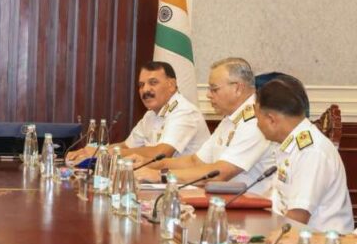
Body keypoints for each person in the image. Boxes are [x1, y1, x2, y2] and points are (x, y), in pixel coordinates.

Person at [135, 57, 276, 195]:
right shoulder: (231, 118)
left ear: (238, 88)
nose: (208, 95)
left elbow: (220, 173)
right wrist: (147, 164)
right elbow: (195, 161)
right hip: (226, 200)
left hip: (251, 206)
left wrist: (159, 175)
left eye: (214, 89)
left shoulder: (255, 121)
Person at [254, 75, 353, 232]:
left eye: (257, 118)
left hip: (320, 243)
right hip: (295, 236)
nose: (257, 124)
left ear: (272, 120)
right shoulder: (291, 143)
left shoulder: (311, 151)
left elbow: (297, 218)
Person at [66, 61, 208, 164]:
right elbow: (127, 146)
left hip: (188, 186)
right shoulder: (151, 115)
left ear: (171, 85)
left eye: (153, 83)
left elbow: (162, 152)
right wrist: (92, 151)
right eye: (141, 85)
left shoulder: (184, 112)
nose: (145, 90)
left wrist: (105, 153)